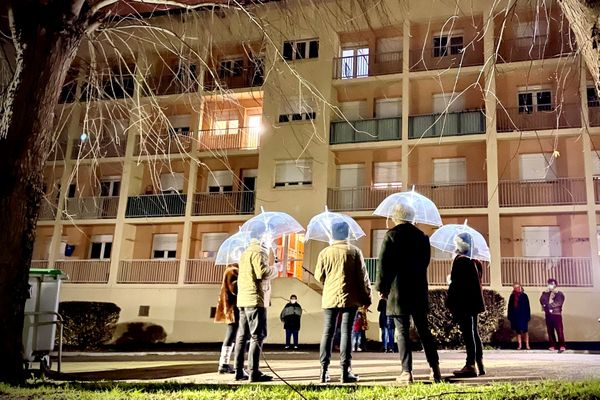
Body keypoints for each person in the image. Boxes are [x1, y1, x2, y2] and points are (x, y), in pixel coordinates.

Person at [376, 203, 441, 384]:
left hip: (398, 292)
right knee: (424, 331)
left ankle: (407, 373)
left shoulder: (391, 236)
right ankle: (435, 369)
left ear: (397, 217)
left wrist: (383, 288)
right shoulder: (422, 237)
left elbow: (384, 265)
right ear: (412, 218)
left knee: (402, 332)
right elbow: (425, 262)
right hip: (418, 289)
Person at [315, 221, 372, 383]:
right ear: (347, 234)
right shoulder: (354, 252)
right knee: (347, 332)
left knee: (327, 332)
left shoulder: (325, 253)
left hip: (329, 298)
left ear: (332, 234)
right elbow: (363, 278)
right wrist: (367, 298)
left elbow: (319, 276)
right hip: (350, 298)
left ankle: (323, 371)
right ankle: (345, 371)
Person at [233, 227, 279, 382]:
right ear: (262, 236)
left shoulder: (246, 252)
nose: (271, 238)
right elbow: (263, 273)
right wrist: (276, 269)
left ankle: (239, 371)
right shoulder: (259, 252)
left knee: (242, 336)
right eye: (269, 235)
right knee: (257, 336)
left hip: (243, 299)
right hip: (255, 299)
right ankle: (254, 373)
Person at [447, 232, 486, 378]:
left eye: (457, 242)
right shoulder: (475, 261)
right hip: (473, 302)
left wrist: (451, 282)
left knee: (468, 333)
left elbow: (458, 284)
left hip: (464, 302)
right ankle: (479, 363)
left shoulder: (461, 260)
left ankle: (470, 365)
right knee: (473, 332)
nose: (455, 245)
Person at [214, 263, 239, 374]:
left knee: (233, 336)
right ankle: (223, 364)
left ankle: (224, 363)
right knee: (231, 335)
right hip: (233, 309)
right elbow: (235, 289)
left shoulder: (231, 270)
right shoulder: (232, 271)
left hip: (232, 308)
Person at [540, 278, 566, 352]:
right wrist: (545, 294)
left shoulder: (559, 293)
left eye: (552, 284)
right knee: (550, 331)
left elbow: (558, 302)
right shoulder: (545, 293)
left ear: (555, 285)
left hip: (556, 314)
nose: (550, 285)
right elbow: (542, 300)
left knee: (559, 331)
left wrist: (548, 306)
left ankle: (562, 345)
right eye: (549, 284)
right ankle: (552, 345)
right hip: (548, 314)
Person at [507, 282, 531, 350]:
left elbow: (527, 307)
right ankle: (519, 345)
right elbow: (510, 307)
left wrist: (528, 316)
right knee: (518, 331)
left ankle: (527, 345)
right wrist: (510, 316)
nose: (517, 288)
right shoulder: (512, 296)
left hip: (523, 316)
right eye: (515, 287)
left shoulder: (524, 295)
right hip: (516, 316)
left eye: (518, 287)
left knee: (525, 331)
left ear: (520, 287)